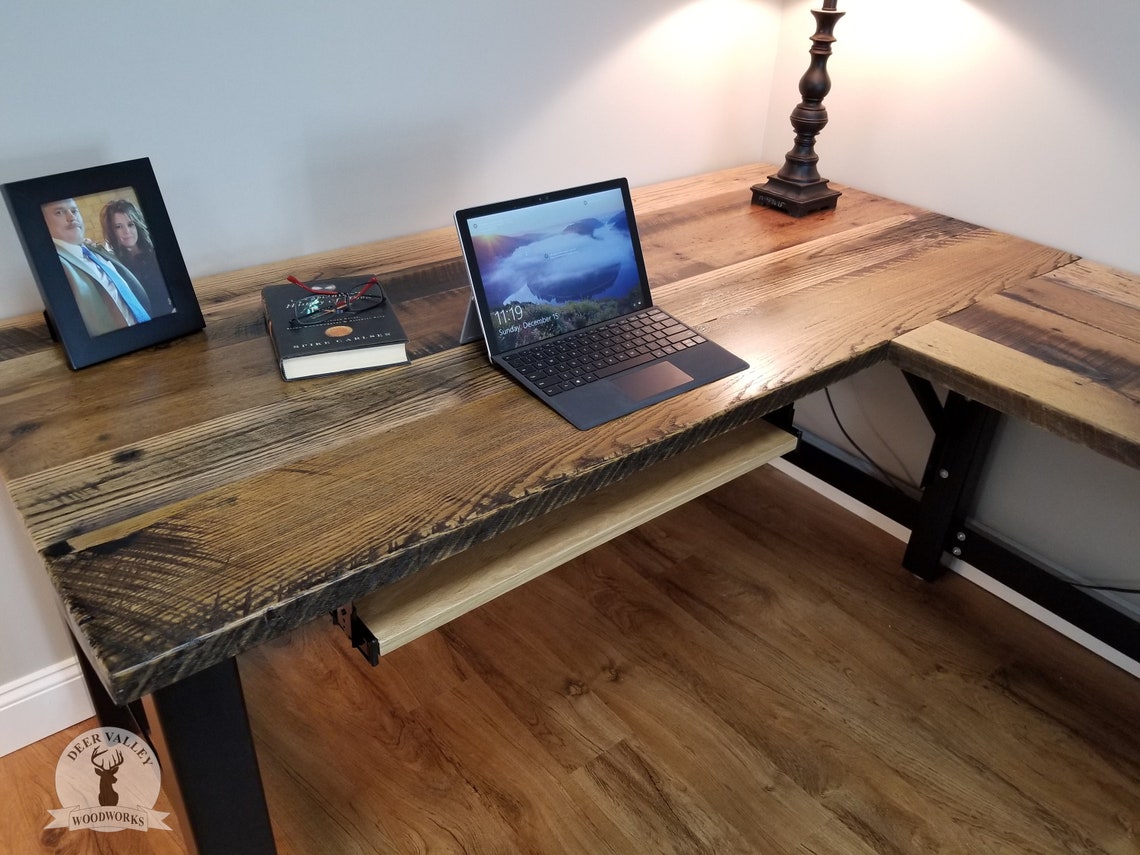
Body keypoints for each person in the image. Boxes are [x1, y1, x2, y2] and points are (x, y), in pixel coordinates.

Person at [41, 198, 153, 336]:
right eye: (59, 212)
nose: (72, 217)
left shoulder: (94, 251)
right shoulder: (53, 266)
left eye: (74, 211)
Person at [99, 199, 171, 312]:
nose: (127, 231)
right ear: (111, 232)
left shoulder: (156, 253)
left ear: (137, 225)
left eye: (130, 224)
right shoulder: (114, 264)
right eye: (118, 226)